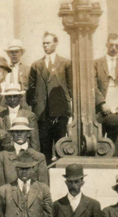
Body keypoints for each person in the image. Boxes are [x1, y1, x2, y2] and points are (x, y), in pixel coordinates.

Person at [27, 32, 72, 164]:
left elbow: (71, 87)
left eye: (48, 43)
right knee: (44, 149)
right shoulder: (36, 65)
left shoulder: (65, 63)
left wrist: (69, 110)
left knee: (60, 147)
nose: (45, 46)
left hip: (60, 112)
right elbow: (31, 88)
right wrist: (35, 106)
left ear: (56, 43)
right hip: (42, 114)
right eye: (44, 43)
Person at [94, 33, 118, 157]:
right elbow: (92, 86)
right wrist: (102, 103)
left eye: (117, 46)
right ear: (106, 45)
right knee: (99, 148)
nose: (114, 48)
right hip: (102, 111)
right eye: (111, 45)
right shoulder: (97, 63)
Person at [0, 118, 47, 184]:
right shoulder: (3, 156)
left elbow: (43, 186)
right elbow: (0, 186)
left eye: (22, 131)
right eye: (16, 131)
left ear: (28, 134)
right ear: (12, 134)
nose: (19, 134)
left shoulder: (39, 157)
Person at [0, 84, 40, 151]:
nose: (12, 99)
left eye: (15, 96)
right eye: (9, 97)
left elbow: (34, 141)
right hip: (6, 154)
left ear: (20, 97)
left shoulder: (29, 115)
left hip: (24, 153)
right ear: (5, 98)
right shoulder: (0, 116)